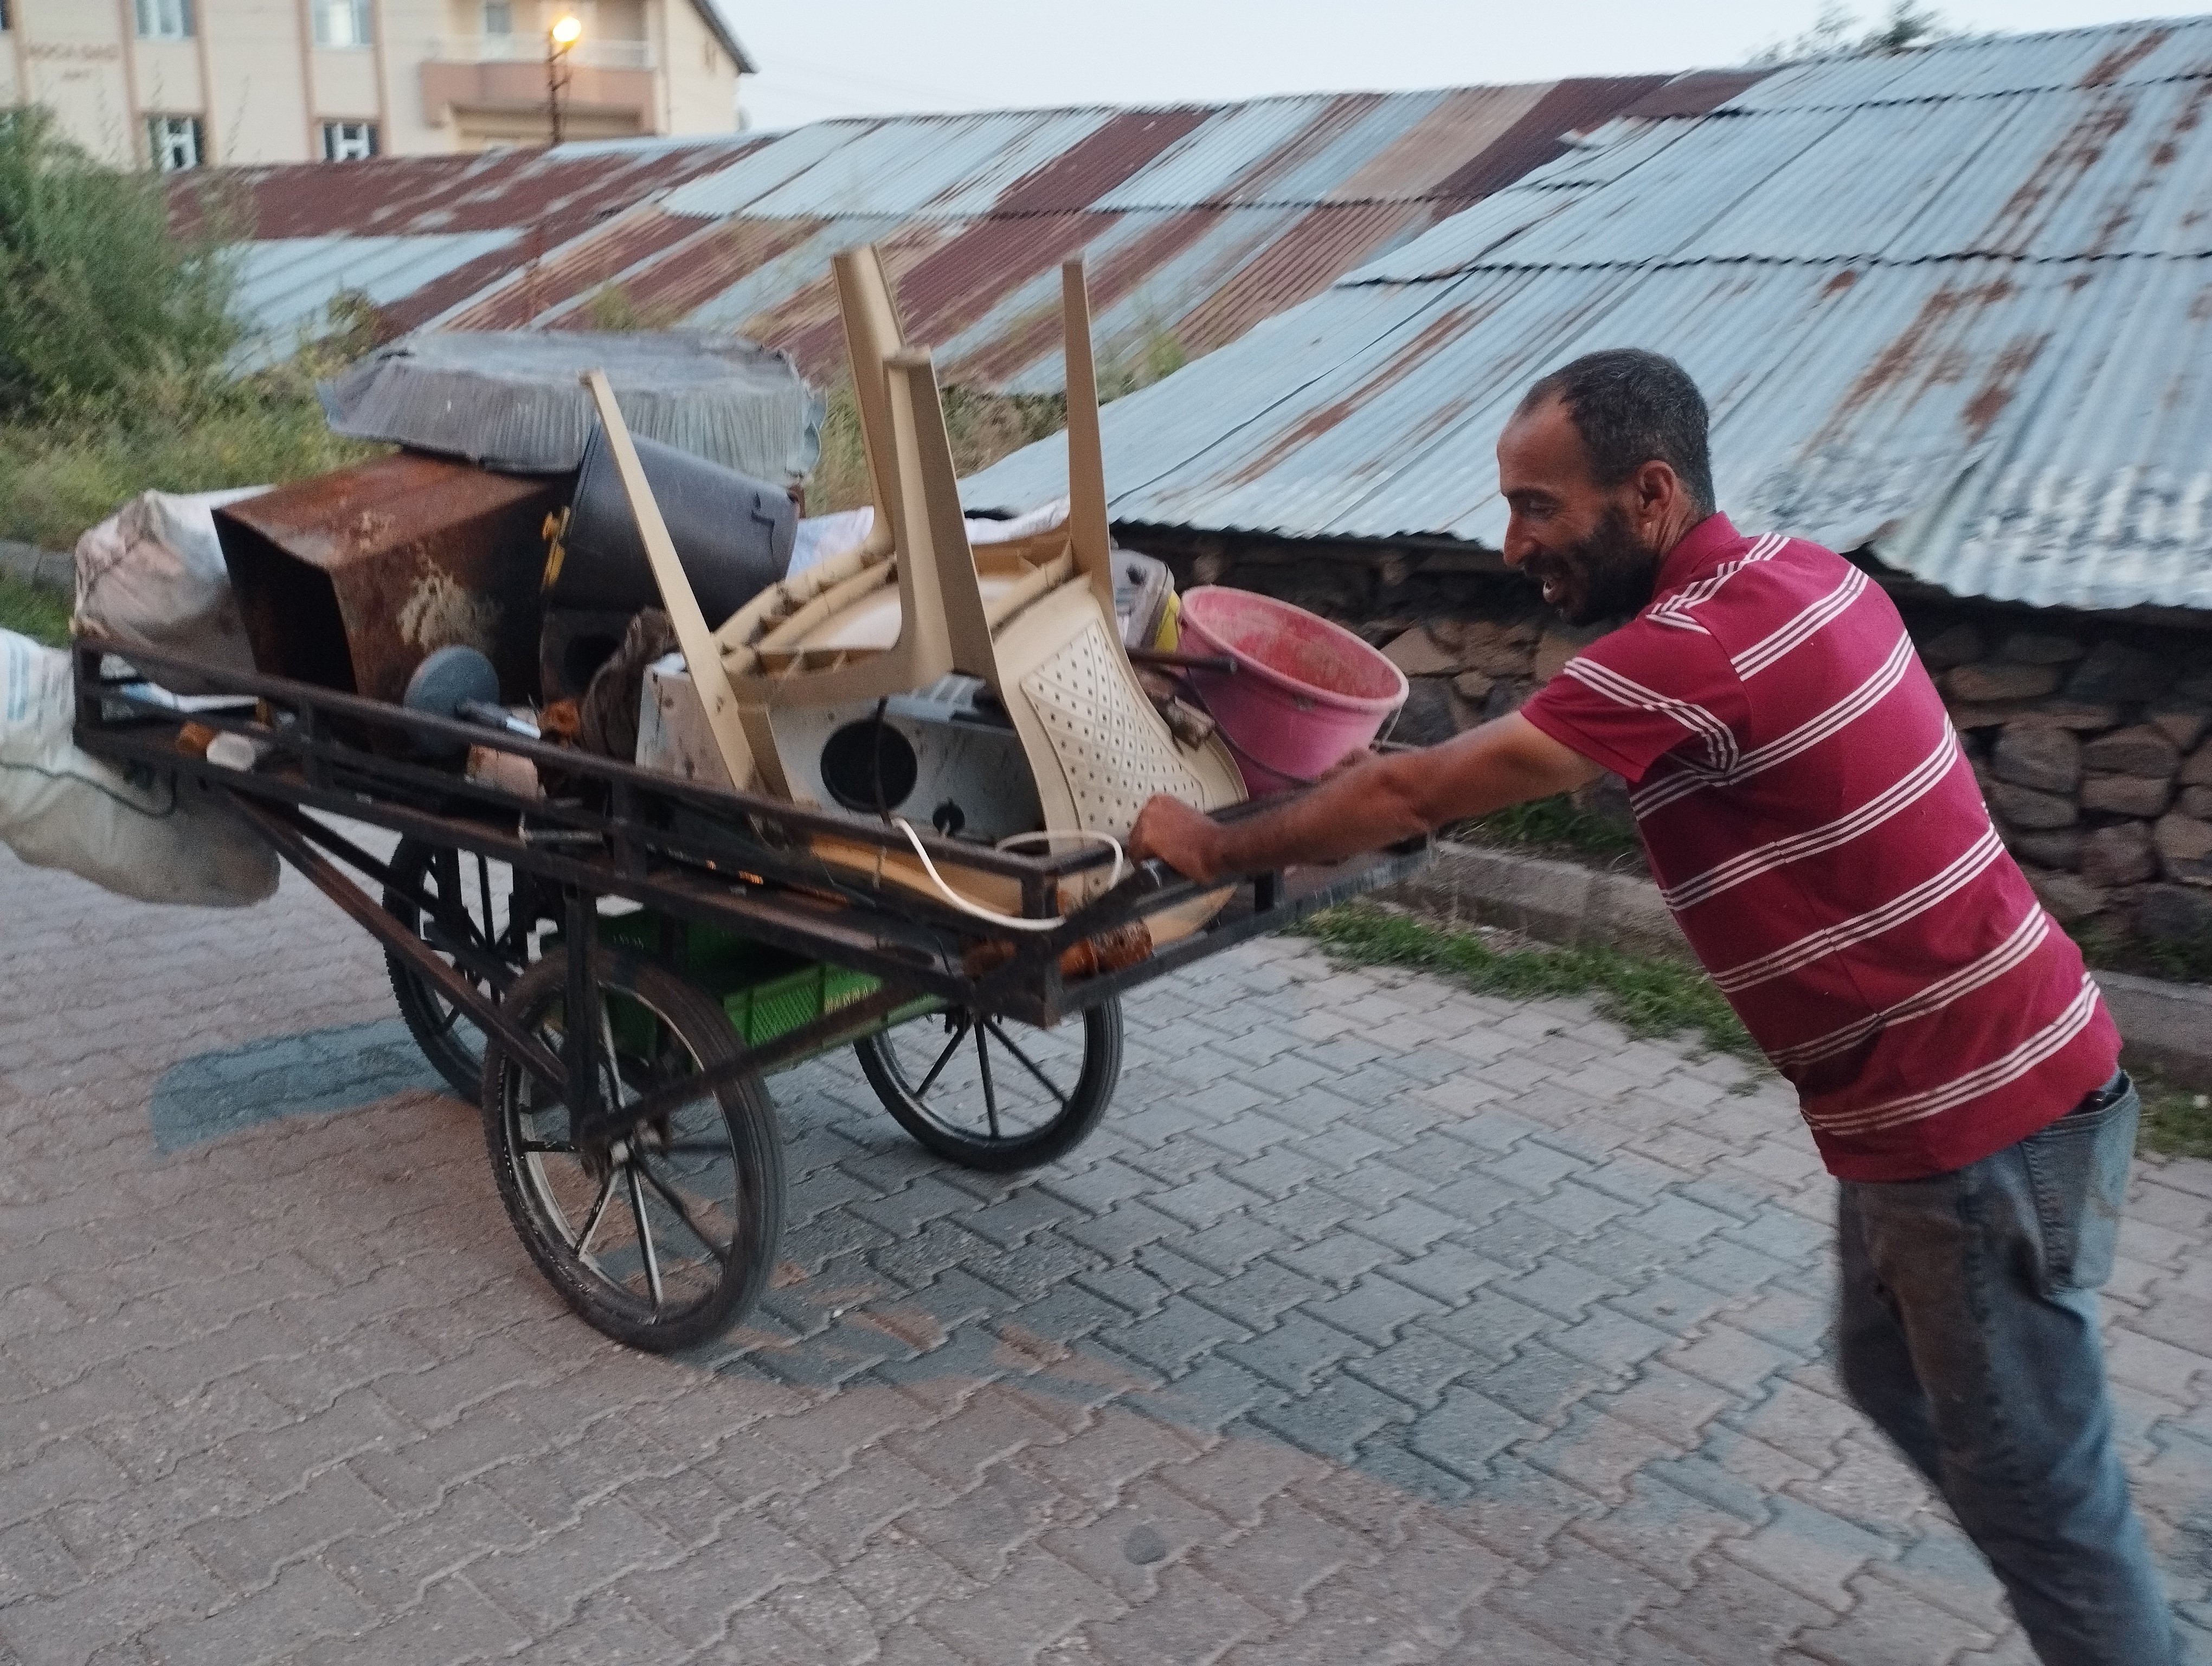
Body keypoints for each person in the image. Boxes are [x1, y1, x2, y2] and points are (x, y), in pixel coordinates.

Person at [1128, 349, 2178, 1666]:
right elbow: (1442, 770)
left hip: (1967, 1122)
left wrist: (1217, 846)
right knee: (1893, 1376)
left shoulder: (1696, 651)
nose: (1513, 544)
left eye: (1540, 508)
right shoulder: (1798, 576)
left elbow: (1414, 797)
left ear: (1652, 493)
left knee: (2048, 1505)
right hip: (1979, 1081)